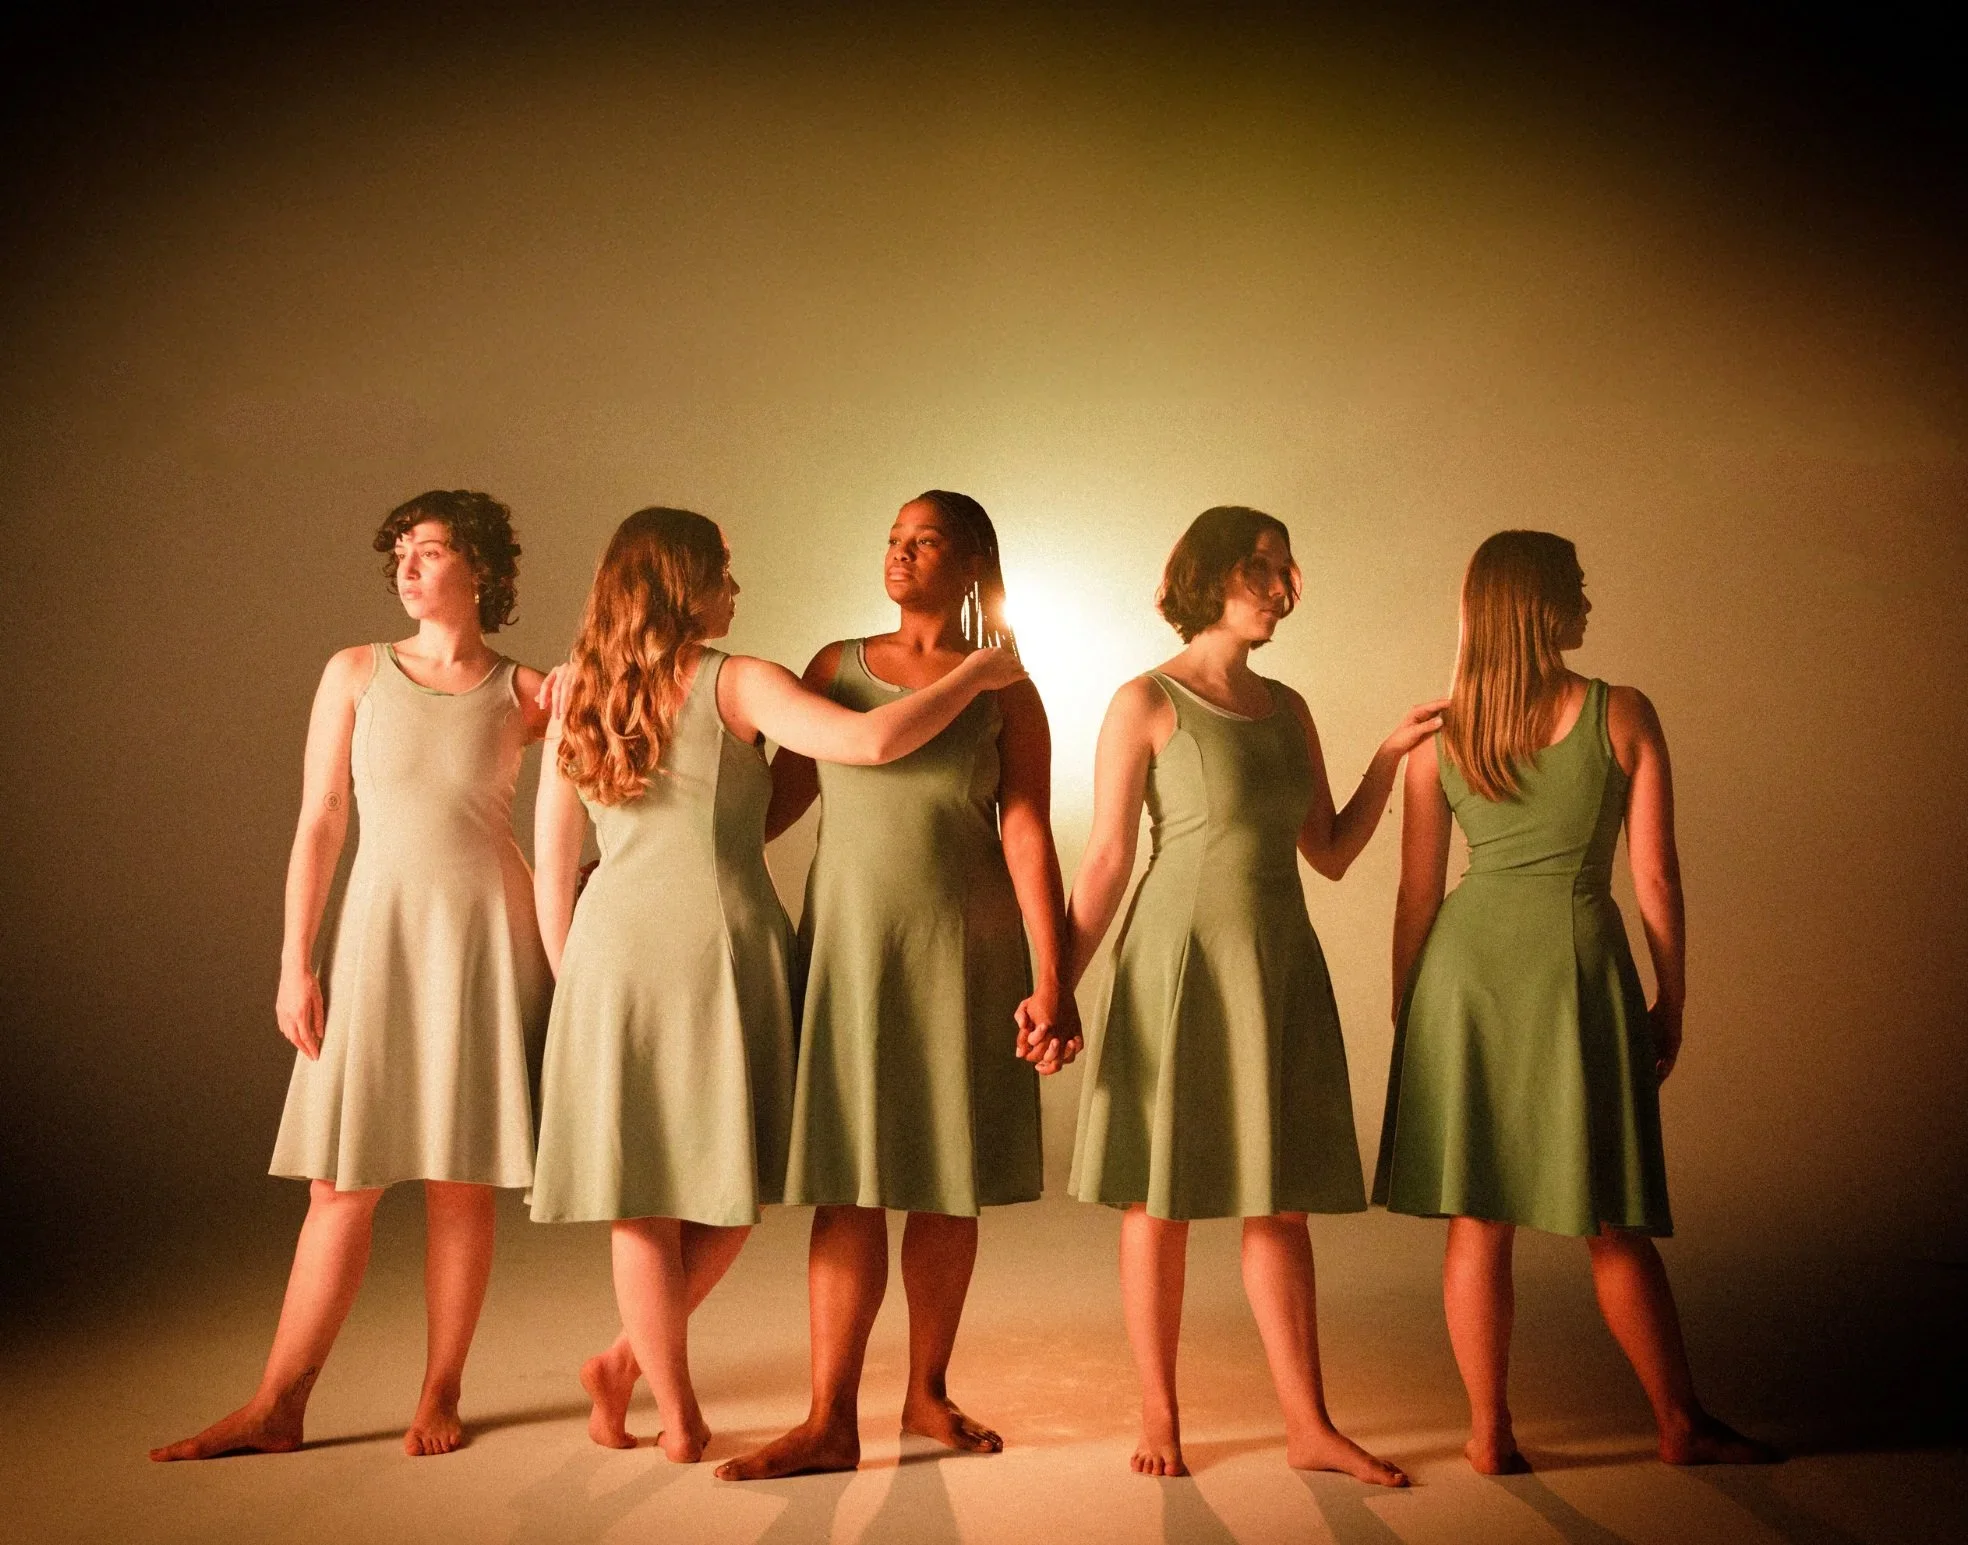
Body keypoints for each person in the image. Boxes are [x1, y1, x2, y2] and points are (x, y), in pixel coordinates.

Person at [530, 506, 1026, 1463]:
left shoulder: (579, 693)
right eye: (721, 568)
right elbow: (873, 745)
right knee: (733, 1184)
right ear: (683, 583)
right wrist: (981, 671)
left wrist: (571, 980)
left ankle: (650, 1388)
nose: (734, 585)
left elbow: (553, 864)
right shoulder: (742, 679)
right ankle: (663, 1399)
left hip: (609, 956)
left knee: (645, 1195)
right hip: (726, 944)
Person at [151, 490, 552, 1461]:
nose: (408, 567)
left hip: (488, 936)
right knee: (339, 1186)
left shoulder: (529, 689)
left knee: (462, 1184)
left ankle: (440, 1393)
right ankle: (277, 1403)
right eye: (400, 554)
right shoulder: (357, 672)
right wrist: (296, 960)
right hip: (376, 936)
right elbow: (322, 817)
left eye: (431, 550)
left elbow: (620, 766)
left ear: (483, 572)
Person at [1373, 529, 1779, 1473]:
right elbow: (1658, 881)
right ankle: (1680, 1422)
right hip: (1576, 967)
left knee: (1479, 1217)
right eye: (1577, 587)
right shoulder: (1621, 712)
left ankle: (1489, 1434)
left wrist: (1410, 1009)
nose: (1590, 600)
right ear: (1543, 607)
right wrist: (1671, 1000)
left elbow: (1416, 895)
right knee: (1610, 1220)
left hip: (1462, 978)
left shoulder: (1442, 741)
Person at [1063, 506, 1441, 1482]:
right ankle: (1159, 1415)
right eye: (1262, 567)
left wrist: (1389, 759)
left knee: (1278, 1206)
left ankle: (1308, 1426)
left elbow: (1329, 852)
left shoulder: (1289, 707)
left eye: (1285, 566)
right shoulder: (1143, 700)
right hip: (1177, 961)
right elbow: (1104, 859)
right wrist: (1051, 985)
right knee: (1160, 1198)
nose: (1282, 585)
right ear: (1213, 575)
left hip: (1275, 960)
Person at [717, 490, 1075, 1481]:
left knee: (944, 1180)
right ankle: (828, 1415)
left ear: (969, 566)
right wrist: (656, 863)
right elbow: (773, 805)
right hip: (849, 951)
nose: (900, 554)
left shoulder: (1006, 687)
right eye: (891, 539)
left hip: (965, 947)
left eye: (925, 542)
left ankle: (926, 1391)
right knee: (846, 1184)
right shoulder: (833, 667)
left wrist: (1054, 975)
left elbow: (1026, 829)